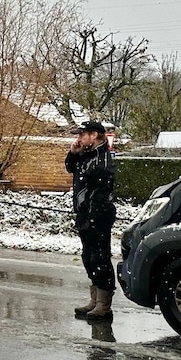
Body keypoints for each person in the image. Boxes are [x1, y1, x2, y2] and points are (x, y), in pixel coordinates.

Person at [65, 120, 116, 319]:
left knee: (100, 257)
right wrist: (73, 153)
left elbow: (100, 194)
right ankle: (95, 299)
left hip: (98, 215)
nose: (79, 138)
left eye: (82, 135)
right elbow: (71, 168)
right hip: (85, 213)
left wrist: (92, 218)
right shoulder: (87, 155)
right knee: (88, 257)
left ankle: (104, 304)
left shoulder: (102, 160)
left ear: (94, 135)